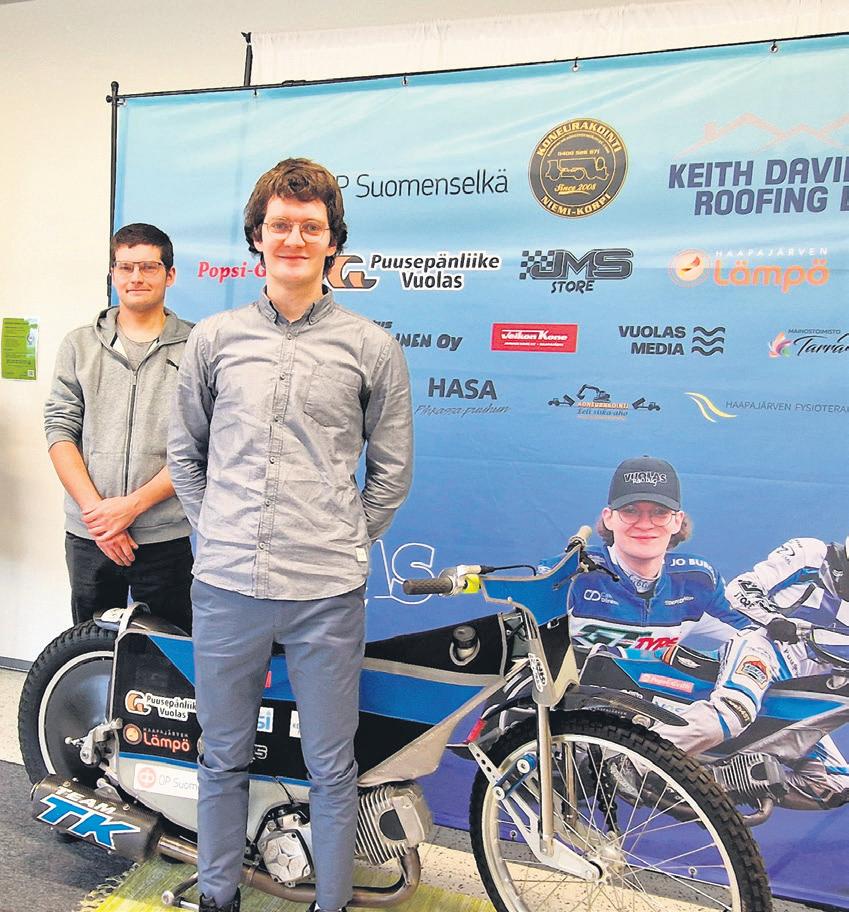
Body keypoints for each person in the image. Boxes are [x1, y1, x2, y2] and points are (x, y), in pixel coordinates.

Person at [168, 158, 413, 912]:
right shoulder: (215, 339)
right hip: (226, 588)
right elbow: (185, 453)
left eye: (311, 226)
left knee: (332, 769)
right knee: (222, 759)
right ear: (257, 236)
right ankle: (217, 899)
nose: (295, 239)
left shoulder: (372, 347)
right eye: (281, 225)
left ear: (333, 240)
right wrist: (217, 533)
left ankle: (329, 903)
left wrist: (341, 539)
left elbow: (391, 472)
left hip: (325, 595)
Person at [43, 223, 194, 630]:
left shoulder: (198, 347)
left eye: (148, 266)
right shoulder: (79, 345)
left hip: (163, 537)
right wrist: (99, 517)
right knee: (88, 647)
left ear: (170, 274)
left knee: (167, 652)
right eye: (125, 267)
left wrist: (131, 507)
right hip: (90, 535)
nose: (136, 277)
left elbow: (201, 444)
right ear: (112, 273)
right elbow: (60, 430)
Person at [654, 536, 849, 806]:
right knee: (733, 713)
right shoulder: (811, 553)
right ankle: (633, 761)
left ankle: (708, 784)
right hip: (765, 649)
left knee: (836, 784)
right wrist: (775, 619)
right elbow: (741, 588)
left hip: (797, 689)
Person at [563, 456, 749, 653]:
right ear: (608, 518)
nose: (645, 524)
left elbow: (757, 636)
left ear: (677, 521)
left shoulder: (697, 582)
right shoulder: (571, 575)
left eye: (660, 512)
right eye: (630, 510)